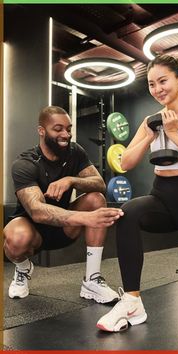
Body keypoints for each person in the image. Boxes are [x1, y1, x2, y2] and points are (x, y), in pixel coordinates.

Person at [96, 54, 178, 332]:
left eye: (163, 81)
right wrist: (148, 134)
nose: (157, 89)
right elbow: (125, 162)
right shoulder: (150, 120)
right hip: (162, 195)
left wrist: (173, 133)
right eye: (151, 84)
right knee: (129, 213)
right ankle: (132, 300)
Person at [3, 105, 124, 302]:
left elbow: (99, 184)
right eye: (58, 129)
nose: (66, 134)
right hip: (32, 230)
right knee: (16, 237)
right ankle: (23, 269)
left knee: (96, 198)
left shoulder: (75, 152)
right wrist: (87, 218)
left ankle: (92, 281)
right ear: (42, 131)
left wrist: (71, 180)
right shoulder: (25, 163)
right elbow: (37, 212)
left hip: (65, 227)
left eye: (68, 128)